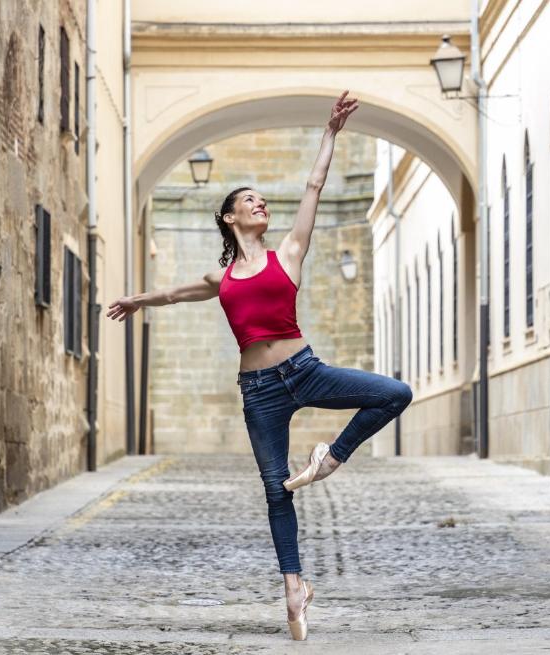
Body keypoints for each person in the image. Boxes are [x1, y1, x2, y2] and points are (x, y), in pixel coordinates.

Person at [106, 91, 413, 641]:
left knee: (395, 393)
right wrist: (134, 300)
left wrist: (330, 134)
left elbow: (313, 188)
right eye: (249, 200)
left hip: (305, 370)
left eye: (262, 199)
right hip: (259, 391)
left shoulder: (289, 252)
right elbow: (173, 294)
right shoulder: (219, 280)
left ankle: (331, 458)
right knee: (277, 489)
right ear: (229, 217)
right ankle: (294, 588)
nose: (260, 203)